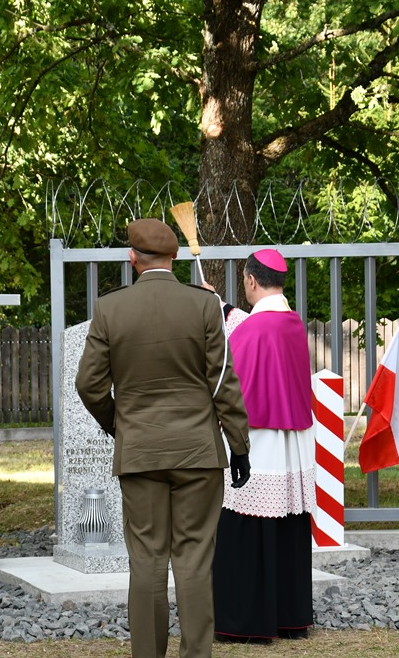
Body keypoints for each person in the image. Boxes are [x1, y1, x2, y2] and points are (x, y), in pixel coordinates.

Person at [75, 218, 251, 658]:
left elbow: (89, 385)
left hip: (140, 452)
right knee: (193, 559)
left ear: (131, 258)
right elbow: (222, 383)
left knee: (148, 561)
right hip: (198, 452)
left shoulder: (110, 308)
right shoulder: (203, 305)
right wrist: (239, 445)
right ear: (174, 257)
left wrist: (119, 425)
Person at [205, 249, 315, 642]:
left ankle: (245, 621)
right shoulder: (291, 322)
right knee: (286, 524)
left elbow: (229, 375)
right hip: (293, 441)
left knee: (246, 525)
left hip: (259, 440)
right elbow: (248, 325)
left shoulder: (254, 330)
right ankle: (289, 616)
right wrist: (222, 307)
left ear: (251, 280)